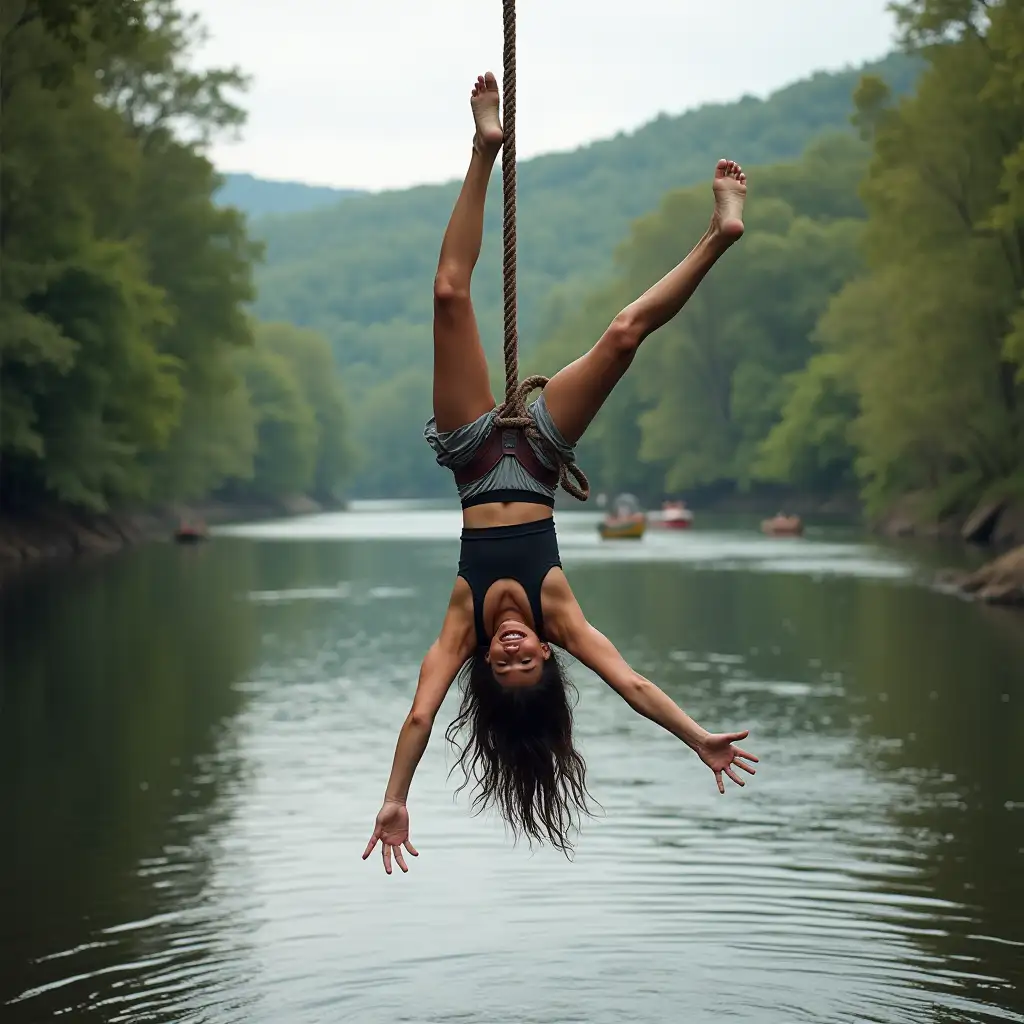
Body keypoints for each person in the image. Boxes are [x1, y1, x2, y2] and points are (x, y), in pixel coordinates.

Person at [363, 72, 758, 874]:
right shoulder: (559, 616)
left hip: (473, 454)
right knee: (621, 335)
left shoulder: (460, 633)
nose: (511, 647)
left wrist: (397, 795)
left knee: (447, 293)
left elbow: (416, 718)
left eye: (500, 661)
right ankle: (720, 235)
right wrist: (696, 737)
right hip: (538, 457)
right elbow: (634, 685)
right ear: (546, 659)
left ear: (485, 664)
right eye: (526, 659)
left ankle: (484, 149)